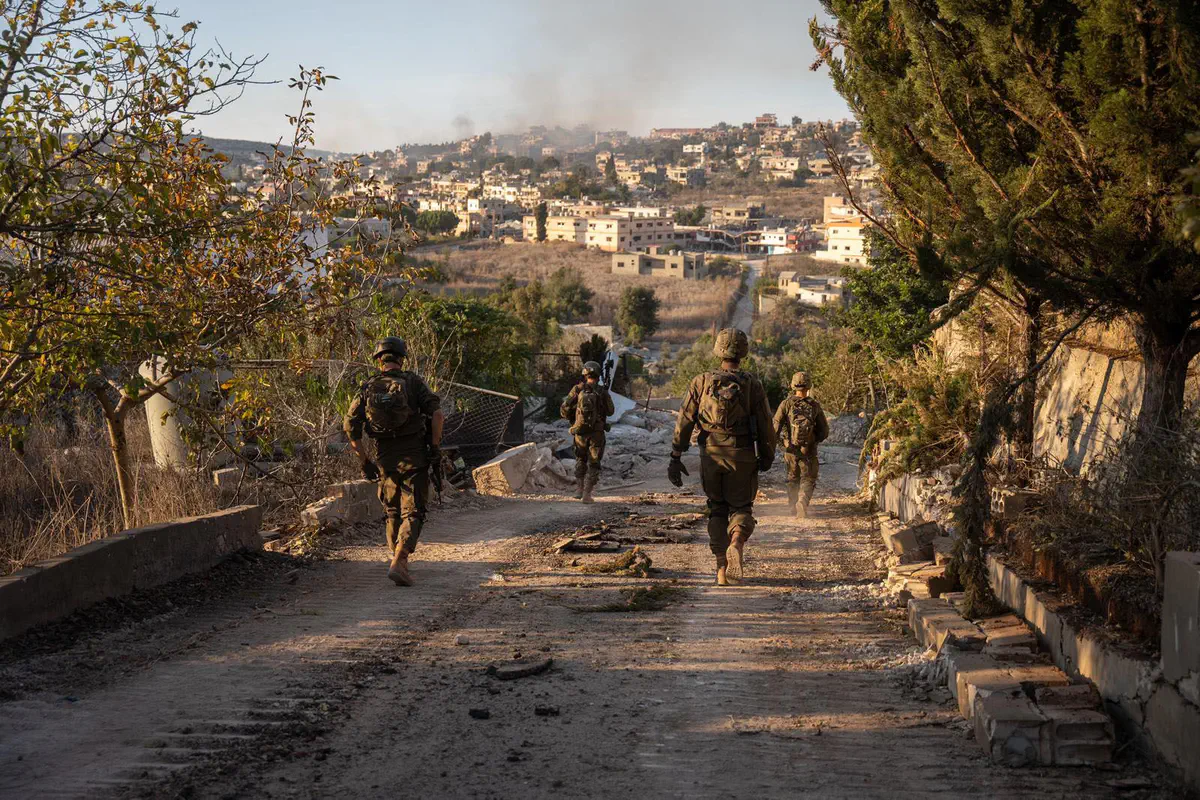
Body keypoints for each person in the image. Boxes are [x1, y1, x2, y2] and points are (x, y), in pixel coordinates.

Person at [668, 328, 775, 586]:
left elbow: (684, 420)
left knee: (717, 508)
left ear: (718, 350)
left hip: (711, 455)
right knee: (742, 508)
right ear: (743, 352)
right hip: (743, 455)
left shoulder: (701, 382)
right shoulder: (753, 385)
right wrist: (767, 456)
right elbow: (766, 425)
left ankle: (721, 569)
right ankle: (736, 541)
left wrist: (676, 455)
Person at [344, 336, 444, 586]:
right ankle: (400, 558)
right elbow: (438, 415)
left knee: (392, 511)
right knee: (414, 510)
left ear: (379, 361)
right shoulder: (413, 383)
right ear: (401, 359)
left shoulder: (367, 387)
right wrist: (434, 447)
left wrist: (364, 460)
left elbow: (350, 427)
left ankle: (396, 557)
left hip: (385, 458)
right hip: (415, 457)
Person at [773, 371, 829, 518]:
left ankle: (792, 506)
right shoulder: (814, 405)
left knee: (792, 478)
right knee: (808, 478)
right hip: (808, 450)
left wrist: (783, 444)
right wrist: (813, 440)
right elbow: (824, 431)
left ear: (793, 385)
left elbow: (775, 428)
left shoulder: (785, 404)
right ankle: (802, 502)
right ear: (809, 386)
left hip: (790, 451)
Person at [560, 360, 614, 504]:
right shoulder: (601, 391)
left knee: (580, 459)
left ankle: (578, 490)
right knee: (594, 462)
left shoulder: (577, 389)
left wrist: (574, 420)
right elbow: (611, 411)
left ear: (585, 373)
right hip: (597, 433)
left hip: (580, 433)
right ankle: (587, 494)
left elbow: (564, 409)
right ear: (597, 375)